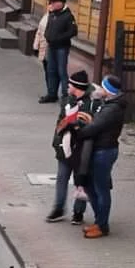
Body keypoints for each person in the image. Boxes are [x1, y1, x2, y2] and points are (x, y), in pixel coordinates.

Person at [74, 75, 126, 239]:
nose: (99, 89)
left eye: (102, 87)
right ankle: (99, 222)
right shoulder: (110, 105)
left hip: (104, 151)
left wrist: (78, 130)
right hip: (102, 149)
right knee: (91, 186)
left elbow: (94, 127)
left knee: (101, 189)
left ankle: (102, 226)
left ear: (108, 91)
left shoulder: (112, 109)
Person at [46, 70, 93, 225]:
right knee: (61, 178)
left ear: (76, 87)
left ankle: (78, 212)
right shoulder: (67, 100)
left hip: (79, 149)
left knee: (81, 180)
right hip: (64, 148)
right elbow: (61, 121)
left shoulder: (88, 104)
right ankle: (58, 208)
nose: (67, 85)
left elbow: (85, 125)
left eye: (70, 84)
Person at [40, 0, 77, 103]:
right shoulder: (52, 14)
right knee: (51, 70)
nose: (52, 5)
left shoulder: (68, 16)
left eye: (54, 2)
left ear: (61, 3)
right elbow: (48, 28)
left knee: (61, 71)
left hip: (62, 47)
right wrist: (47, 36)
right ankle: (52, 94)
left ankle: (66, 96)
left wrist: (59, 38)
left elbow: (73, 31)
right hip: (51, 46)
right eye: (51, 3)